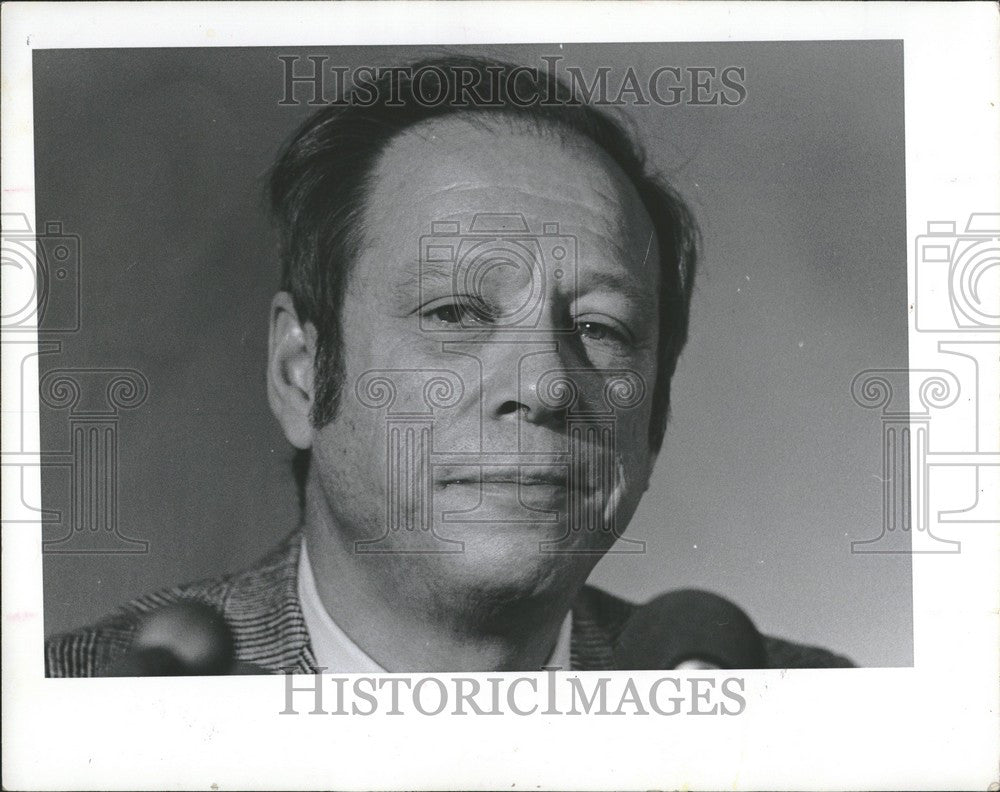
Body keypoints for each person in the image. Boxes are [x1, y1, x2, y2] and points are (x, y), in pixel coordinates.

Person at [45, 56, 852, 676]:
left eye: (602, 328)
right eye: (456, 314)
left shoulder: (814, 721)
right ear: (301, 372)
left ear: (654, 413)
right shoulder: (74, 702)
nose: (544, 386)